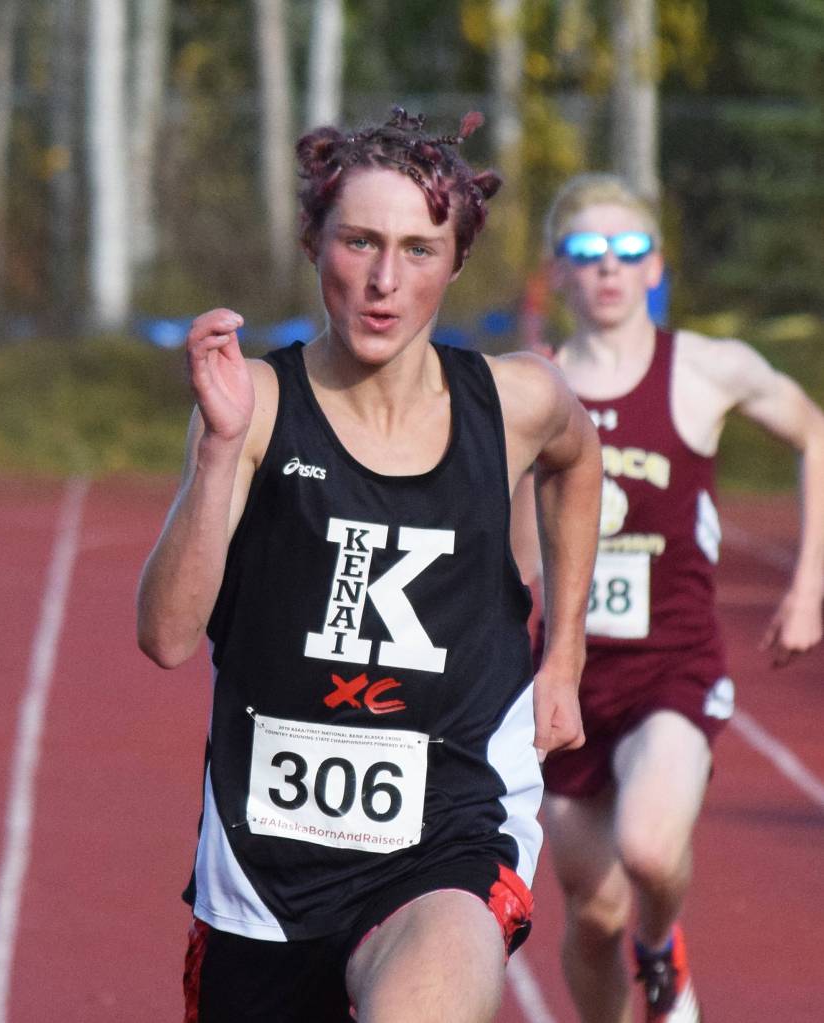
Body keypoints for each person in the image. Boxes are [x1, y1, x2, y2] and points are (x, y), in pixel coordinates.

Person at [136, 108, 603, 1023]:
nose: (386, 280)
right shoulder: (256, 405)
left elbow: (576, 461)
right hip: (267, 865)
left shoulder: (516, 401)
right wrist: (220, 452)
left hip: (447, 833)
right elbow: (164, 637)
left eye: (419, 250)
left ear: (456, 263)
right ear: (315, 244)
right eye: (360, 241)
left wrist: (566, 657)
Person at [512, 172, 824, 1023]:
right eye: (586, 251)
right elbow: (506, 546)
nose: (608, 268)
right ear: (559, 272)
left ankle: (661, 945)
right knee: (589, 911)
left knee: (649, 853)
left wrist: (809, 587)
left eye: (627, 250)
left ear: (655, 267)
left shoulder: (706, 369)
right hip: (565, 679)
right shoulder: (530, 388)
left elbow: (813, 432)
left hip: (671, 668)